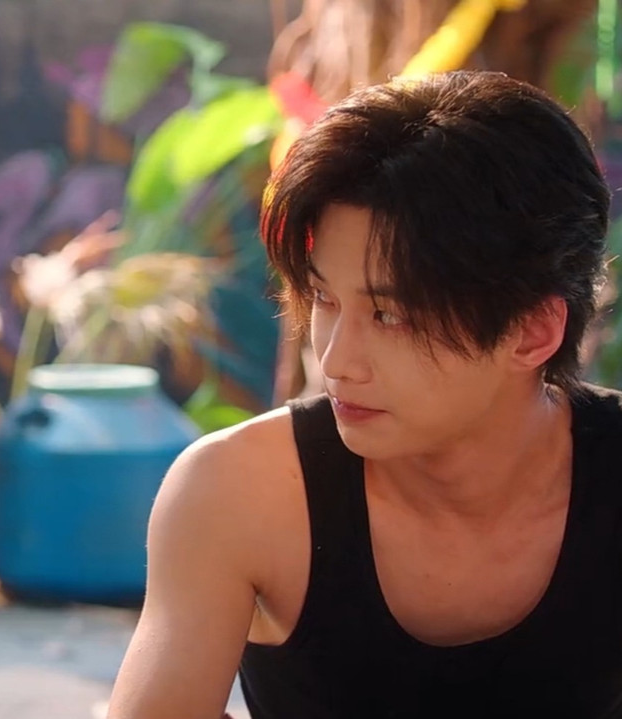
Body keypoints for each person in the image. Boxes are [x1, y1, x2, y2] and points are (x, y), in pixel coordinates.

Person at [107, 70, 622, 718]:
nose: (336, 361)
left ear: (532, 330)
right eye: (325, 298)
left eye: (390, 315)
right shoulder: (240, 490)